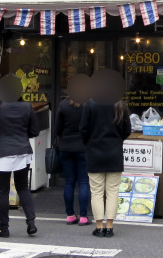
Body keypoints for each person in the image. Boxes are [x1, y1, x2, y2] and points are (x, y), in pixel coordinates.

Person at [0, 74, 39, 238]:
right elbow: (35, 131)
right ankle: (31, 223)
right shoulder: (27, 107)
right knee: (22, 188)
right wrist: (21, 135)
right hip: (23, 151)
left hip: (3, 153)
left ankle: (4, 228)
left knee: (3, 191)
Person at [80, 69, 131, 238]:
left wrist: (90, 142)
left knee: (96, 191)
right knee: (112, 192)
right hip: (114, 153)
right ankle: (110, 226)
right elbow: (127, 130)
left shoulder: (90, 104)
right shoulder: (120, 105)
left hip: (95, 153)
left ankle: (99, 226)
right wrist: (117, 140)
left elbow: (83, 130)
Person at [55, 74, 91, 226]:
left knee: (69, 182)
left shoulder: (63, 105)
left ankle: (70, 215)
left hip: (66, 148)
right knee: (84, 182)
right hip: (83, 148)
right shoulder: (89, 105)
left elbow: (57, 129)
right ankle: (83, 216)